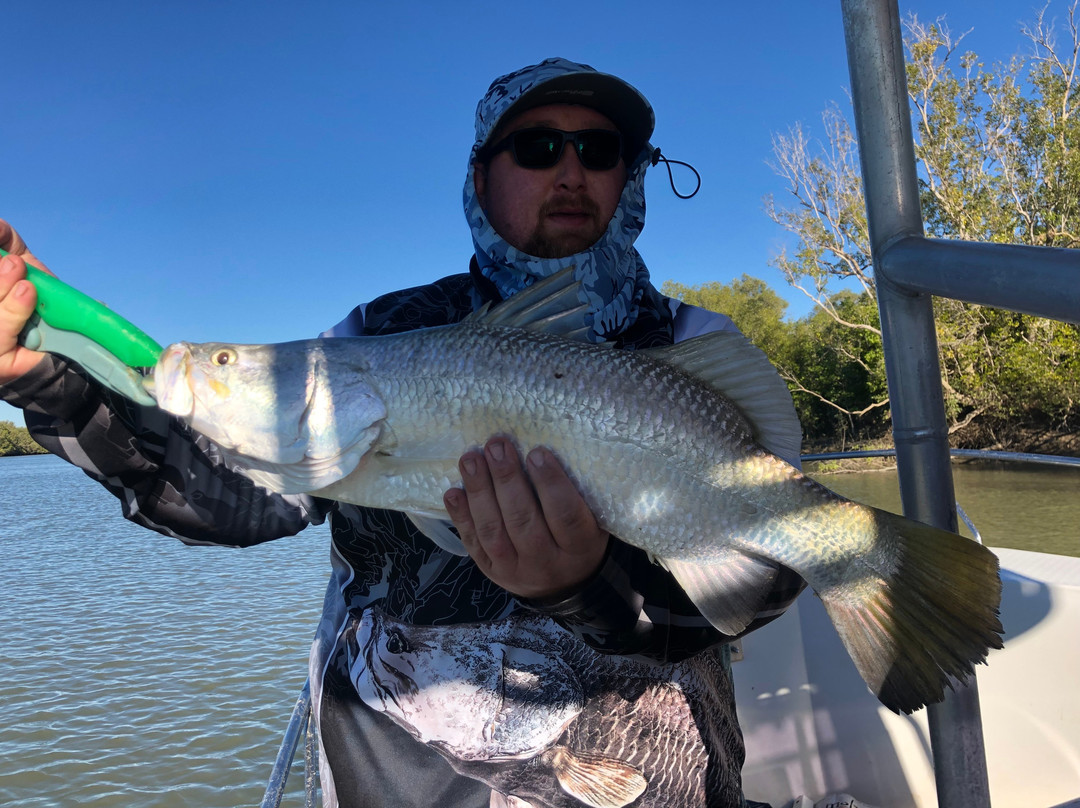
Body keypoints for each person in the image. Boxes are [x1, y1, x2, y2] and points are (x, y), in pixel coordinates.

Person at [0, 58, 804, 808]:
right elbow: (228, 500)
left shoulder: (695, 346)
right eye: (536, 146)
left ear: (628, 177)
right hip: (398, 780)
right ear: (480, 177)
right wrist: (52, 381)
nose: (570, 170)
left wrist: (593, 585)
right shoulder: (372, 336)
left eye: (599, 149)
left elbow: (767, 577)